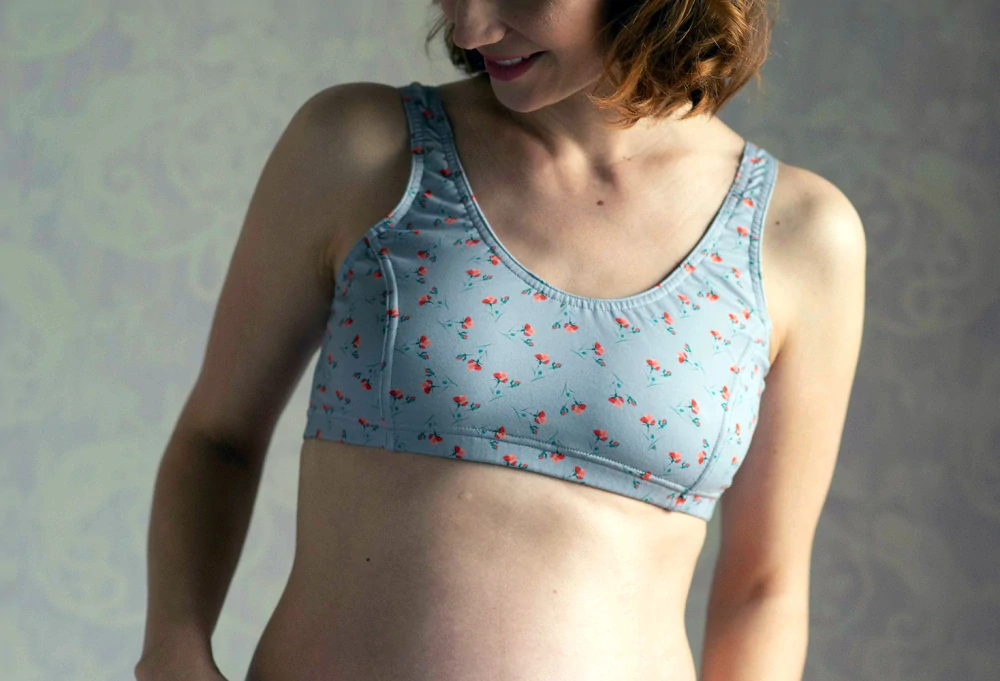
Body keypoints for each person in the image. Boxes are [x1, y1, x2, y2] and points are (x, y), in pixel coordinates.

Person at [136, 0, 866, 680]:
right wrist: (172, 652)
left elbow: (763, 587)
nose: (471, 28)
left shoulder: (799, 235)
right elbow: (219, 436)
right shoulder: (362, 148)